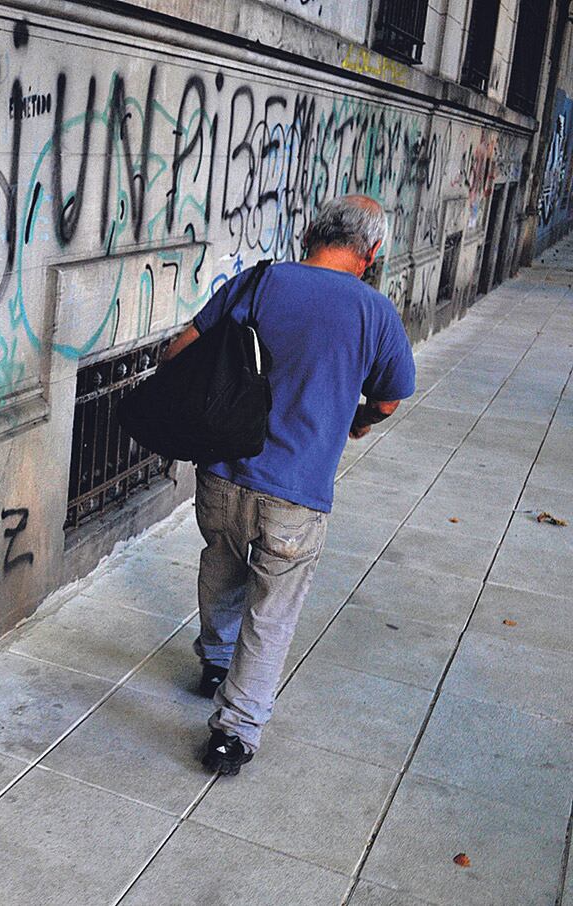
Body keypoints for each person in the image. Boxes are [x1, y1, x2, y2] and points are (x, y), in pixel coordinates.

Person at [161, 195, 416, 776]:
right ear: (371, 251)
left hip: (224, 474)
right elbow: (390, 397)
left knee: (221, 564)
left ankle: (216, 663)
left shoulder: (260, 282)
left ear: (311, 233)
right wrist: (357, 420)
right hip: (297, 494)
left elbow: (182, 348)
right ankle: (234, 733)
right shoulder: (374, 313)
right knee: (272, 609)